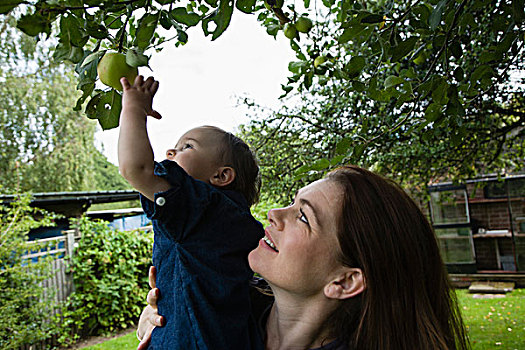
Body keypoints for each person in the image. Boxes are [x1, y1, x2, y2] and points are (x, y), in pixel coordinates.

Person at [137, 165, 470, 350]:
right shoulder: (226, 307)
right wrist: (167, 317)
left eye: (304, 217)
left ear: (344, 280)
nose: (274, 214)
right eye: (292, 202)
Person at [118, 75, 265, 349]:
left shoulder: (199, 209)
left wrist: (134, 110)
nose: (172, 150)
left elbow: (135, 169)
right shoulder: (237, 222)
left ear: (221, 176)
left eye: (187, 146)